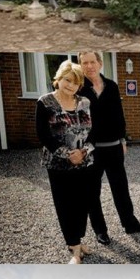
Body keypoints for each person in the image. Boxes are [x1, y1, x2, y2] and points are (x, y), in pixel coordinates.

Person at [78, 51, 140, 245]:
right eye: (84, 63)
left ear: (100, 63)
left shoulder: (111, 86)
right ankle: (100, 231)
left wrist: (122, 139)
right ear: (81, 65)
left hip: (113, 147)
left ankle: (130, 223)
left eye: (92, 62)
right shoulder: (79, 89)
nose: (89, 66)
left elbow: (118, 114)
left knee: (120, 188)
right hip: (91, 150)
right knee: (92, 192)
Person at [36, 61, 94, 264]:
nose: (70, 85)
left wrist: (84, 152)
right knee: (65, 205)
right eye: (67, 80)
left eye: (76, 83)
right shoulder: (45, 102)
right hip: (58, 164)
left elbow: (94, 132)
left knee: (83, 204)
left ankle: (77, 240)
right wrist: (67, 153)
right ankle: (75, 250)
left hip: (84, 162)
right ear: (58, 79)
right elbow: (43, 135)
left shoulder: (85, 102)